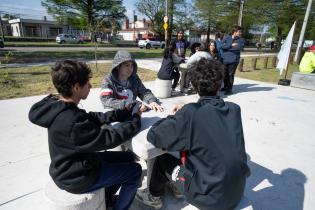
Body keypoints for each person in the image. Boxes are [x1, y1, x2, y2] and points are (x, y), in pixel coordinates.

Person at [135, 58, 250, 210]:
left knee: (162, 159)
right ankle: (178, 187)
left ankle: (153, 197)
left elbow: (155, 136)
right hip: (237, 191)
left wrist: (177, 115)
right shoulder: (234, 109)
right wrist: (188, 110)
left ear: (194, 85)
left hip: (208, 198)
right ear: (221, 84)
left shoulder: (190, 113)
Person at [28, 60, 143, 210]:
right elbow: (110, 138)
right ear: (76, 87)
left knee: (127, 157)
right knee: (135, 171)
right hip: (78, 177)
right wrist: (135, 120)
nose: (90, 86)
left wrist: (120, 114)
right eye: (87, 84)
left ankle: (106, 198)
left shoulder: (59, 105)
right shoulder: (72, 122)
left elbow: (90, 118)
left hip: (73, 163)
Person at [221, 25, 244, 95]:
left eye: (240, 32)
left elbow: (237, 48)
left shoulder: (241, 40)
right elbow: (221, 46)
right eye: (239, 32)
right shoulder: (227, 37)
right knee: (224, 74)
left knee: (230, 74)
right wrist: (231, 45)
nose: (241, 33)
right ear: (235, 32)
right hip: (224, 59)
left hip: (234, 60)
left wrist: (226, 47)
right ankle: (225, 87)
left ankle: (229, 89)